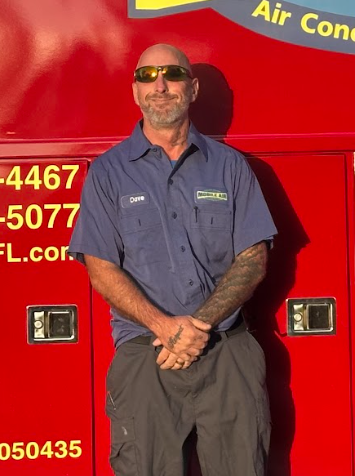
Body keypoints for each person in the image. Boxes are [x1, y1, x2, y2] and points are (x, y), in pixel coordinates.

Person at [68, 43, 276, 476]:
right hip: (147, 355)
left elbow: (253, 257)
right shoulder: (108, 173)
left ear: (193, 88)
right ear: (135, 93)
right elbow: (101, 268)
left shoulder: (231, 167)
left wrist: (198, 326)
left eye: (173, 74)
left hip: (226, 351)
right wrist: (166, 328)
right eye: (147, 77)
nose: (160, 86)